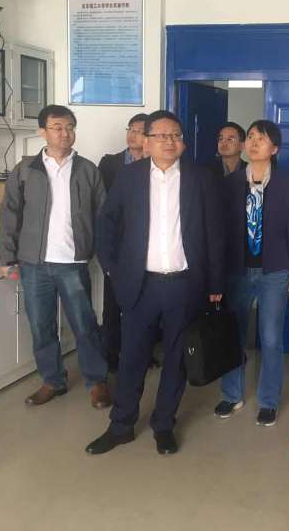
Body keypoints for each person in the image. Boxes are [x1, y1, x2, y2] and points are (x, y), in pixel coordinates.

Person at [86, 110, 225, 456]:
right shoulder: (130, 177)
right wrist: (113, 269)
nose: (169, 141)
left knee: (177, 360)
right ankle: (121, 426)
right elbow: (106, 223)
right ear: (146, 142)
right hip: (140, 285)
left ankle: (164, 425)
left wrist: (215, 282)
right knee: (132, 358)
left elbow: (215, 232)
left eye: (175, 135)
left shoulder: (200, 178)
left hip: (185, 285)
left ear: (183, 142)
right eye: (161, 136)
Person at [0, 104, 111, 409]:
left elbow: (103, 216)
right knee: (41, 326)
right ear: (42, 132)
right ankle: (52, 380)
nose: (65, 133)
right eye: (58, 127)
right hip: (34, 264)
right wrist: (7, 258)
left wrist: (107, 257)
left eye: (70, 127)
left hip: (73, 262)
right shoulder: (25, 170)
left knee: (85, 325)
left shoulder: (88, 170)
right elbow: (9, 214)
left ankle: (97, 381)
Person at [214, 120, 289, 426]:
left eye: (262, 139)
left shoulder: (288, 183)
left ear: (274, 148)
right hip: (237, 271)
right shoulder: (230, 184)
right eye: (251, 137)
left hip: (274, 270)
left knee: (270, 338)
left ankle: (268, 401)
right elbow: (220, 232)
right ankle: (232, 395)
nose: (254, 143)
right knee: (233, 336)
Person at [96, 113, 148, 371]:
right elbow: (101, 207)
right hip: (117, 247)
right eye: (131, 129)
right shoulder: (110, 163)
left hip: (146, 247)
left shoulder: (155, 164)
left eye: (139, 130)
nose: (132, 135)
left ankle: (143, 354)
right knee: (113, 305)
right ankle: (111, 356)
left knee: (144, 305)